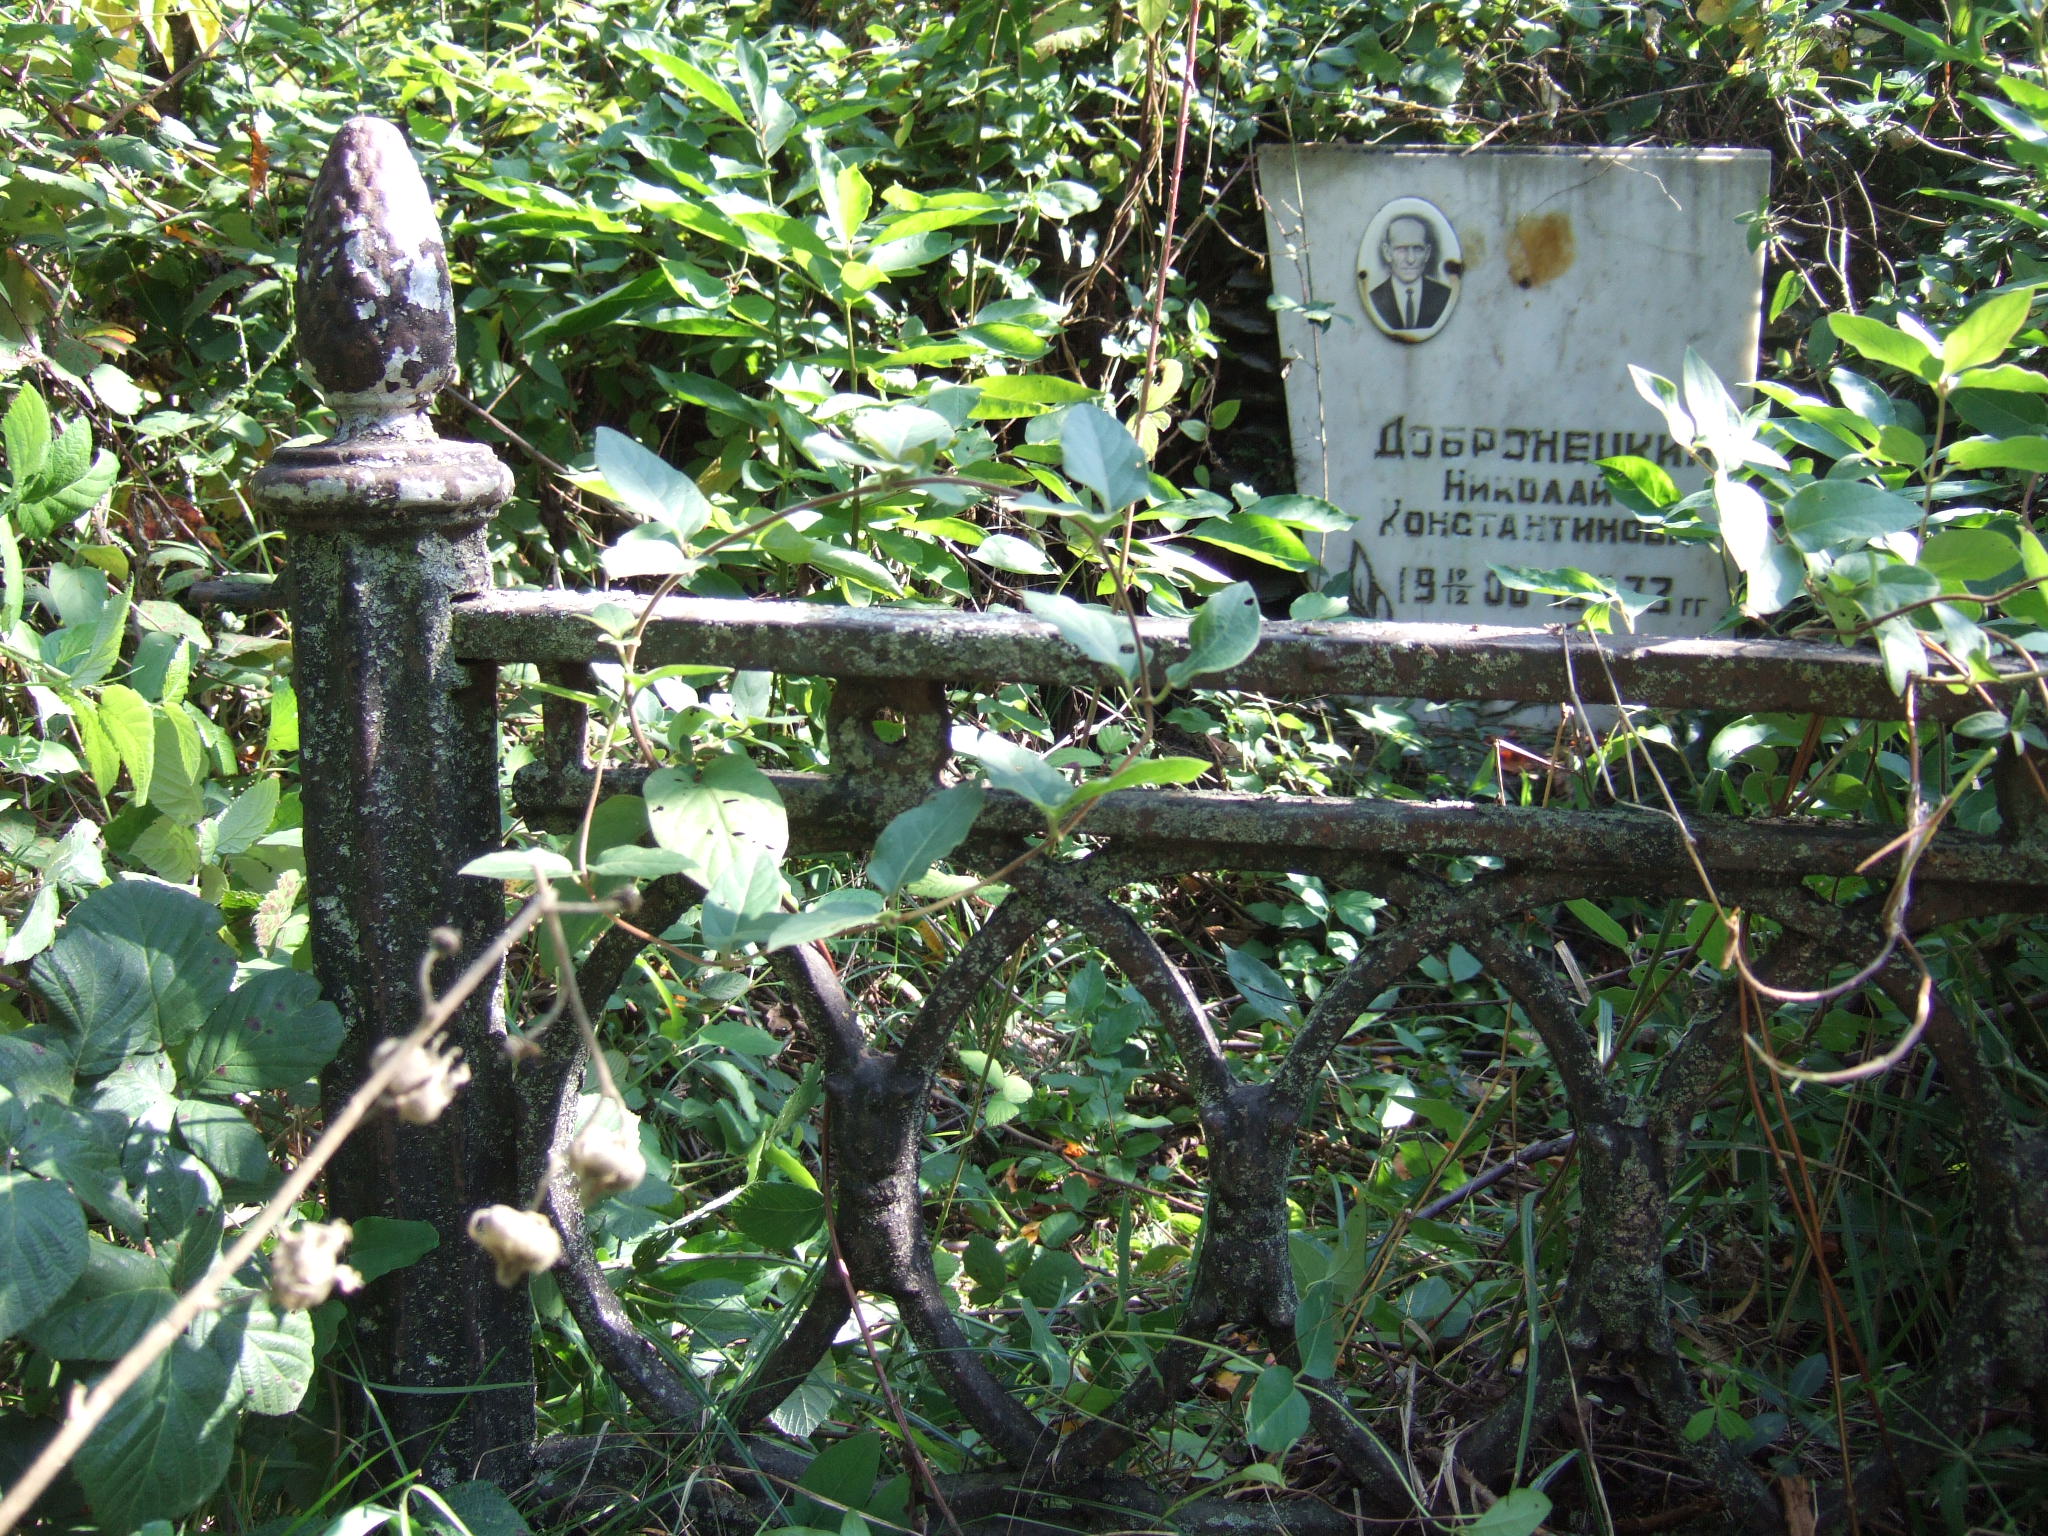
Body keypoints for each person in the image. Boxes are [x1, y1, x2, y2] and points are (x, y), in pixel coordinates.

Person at [1366, 215, 1451, 333]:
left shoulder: (1444, 296)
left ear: (1427, 253)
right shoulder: (1374, 298)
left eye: (1417, 249)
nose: (1410, 259)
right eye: (1401, 249)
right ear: (1387, 252)